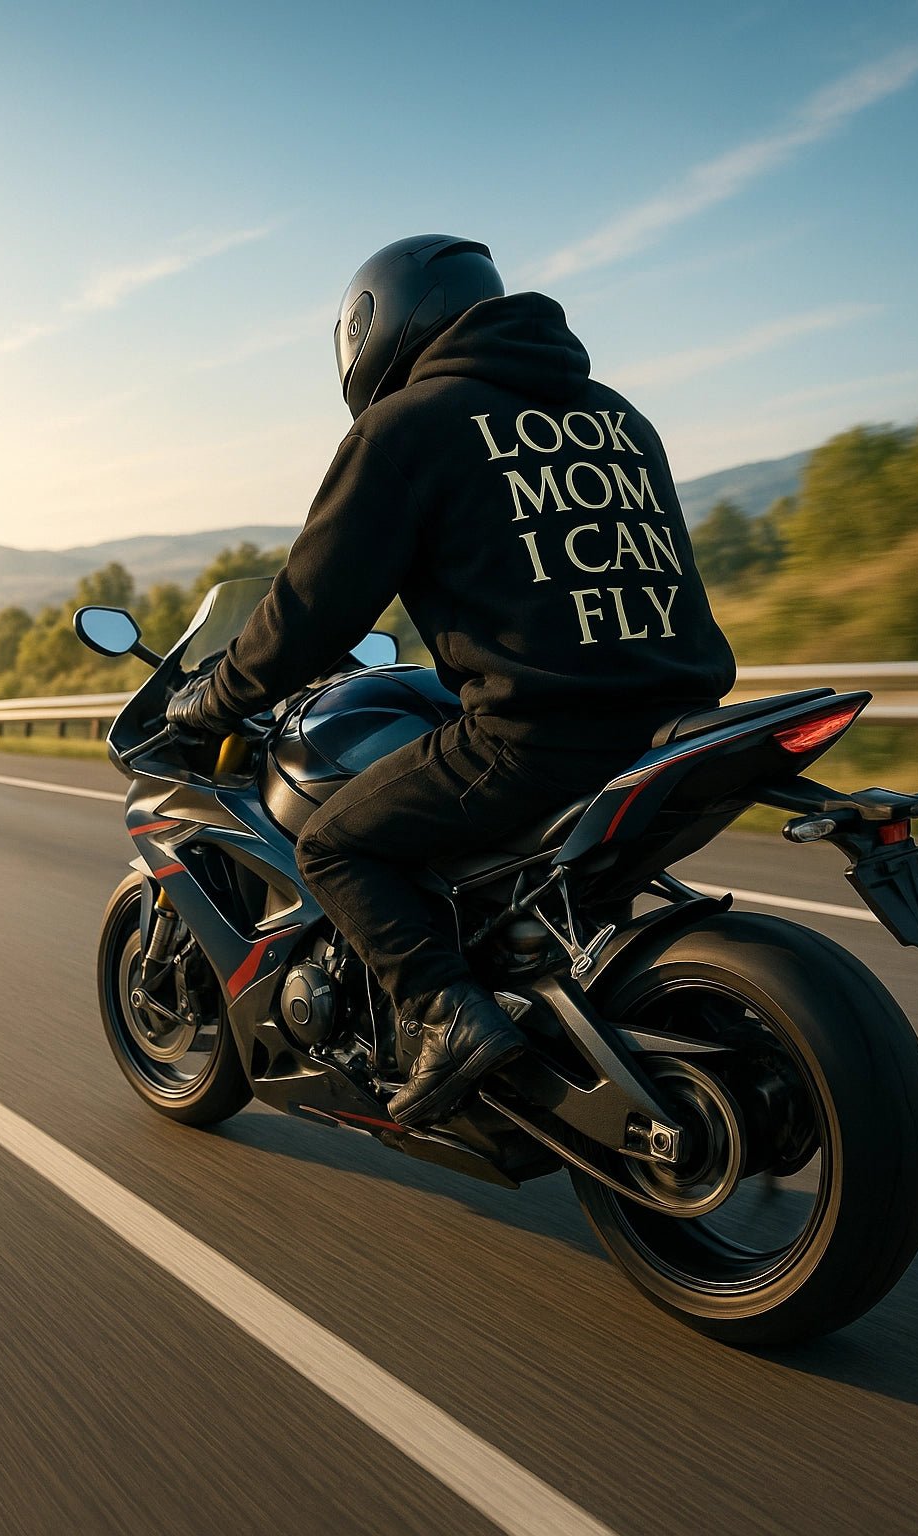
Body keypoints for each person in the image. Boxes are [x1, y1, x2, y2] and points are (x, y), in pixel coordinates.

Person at [167, 233, 736, 1127]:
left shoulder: (409, 426)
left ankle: (446, 1018)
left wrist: (216, 694)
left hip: (540, 738)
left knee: (338, 846)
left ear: (376, 324)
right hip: (684, 722)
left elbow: (311, 610)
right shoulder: (615, 414)